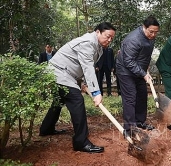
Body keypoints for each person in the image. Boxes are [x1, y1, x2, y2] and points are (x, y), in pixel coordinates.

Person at [39, 22, 116, 153]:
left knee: (59, 100)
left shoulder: (98, 47)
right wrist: (96, 92)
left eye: (111, 38)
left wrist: (85, 83)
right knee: (76, 100)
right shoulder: (87, 43)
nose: (109, 40)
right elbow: (87, 67)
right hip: (58, 72)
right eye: (107, 36)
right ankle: (81, 142)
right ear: (98, 32)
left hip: (65, 74)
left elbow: (85, 66)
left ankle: (46, 129)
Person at [115, 15, 159, 136]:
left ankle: (140, 122)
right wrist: (143, 73)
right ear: (144, 27)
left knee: (141, 95)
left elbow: (145, 55)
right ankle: (130, 129)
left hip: (139, 70)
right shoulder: (133, 39)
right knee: (130, 97)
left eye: (156, 32)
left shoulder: (151, 37)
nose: (153, 35)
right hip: (125, 71)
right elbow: (128, 61)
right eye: (151, 32)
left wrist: (146, 68)